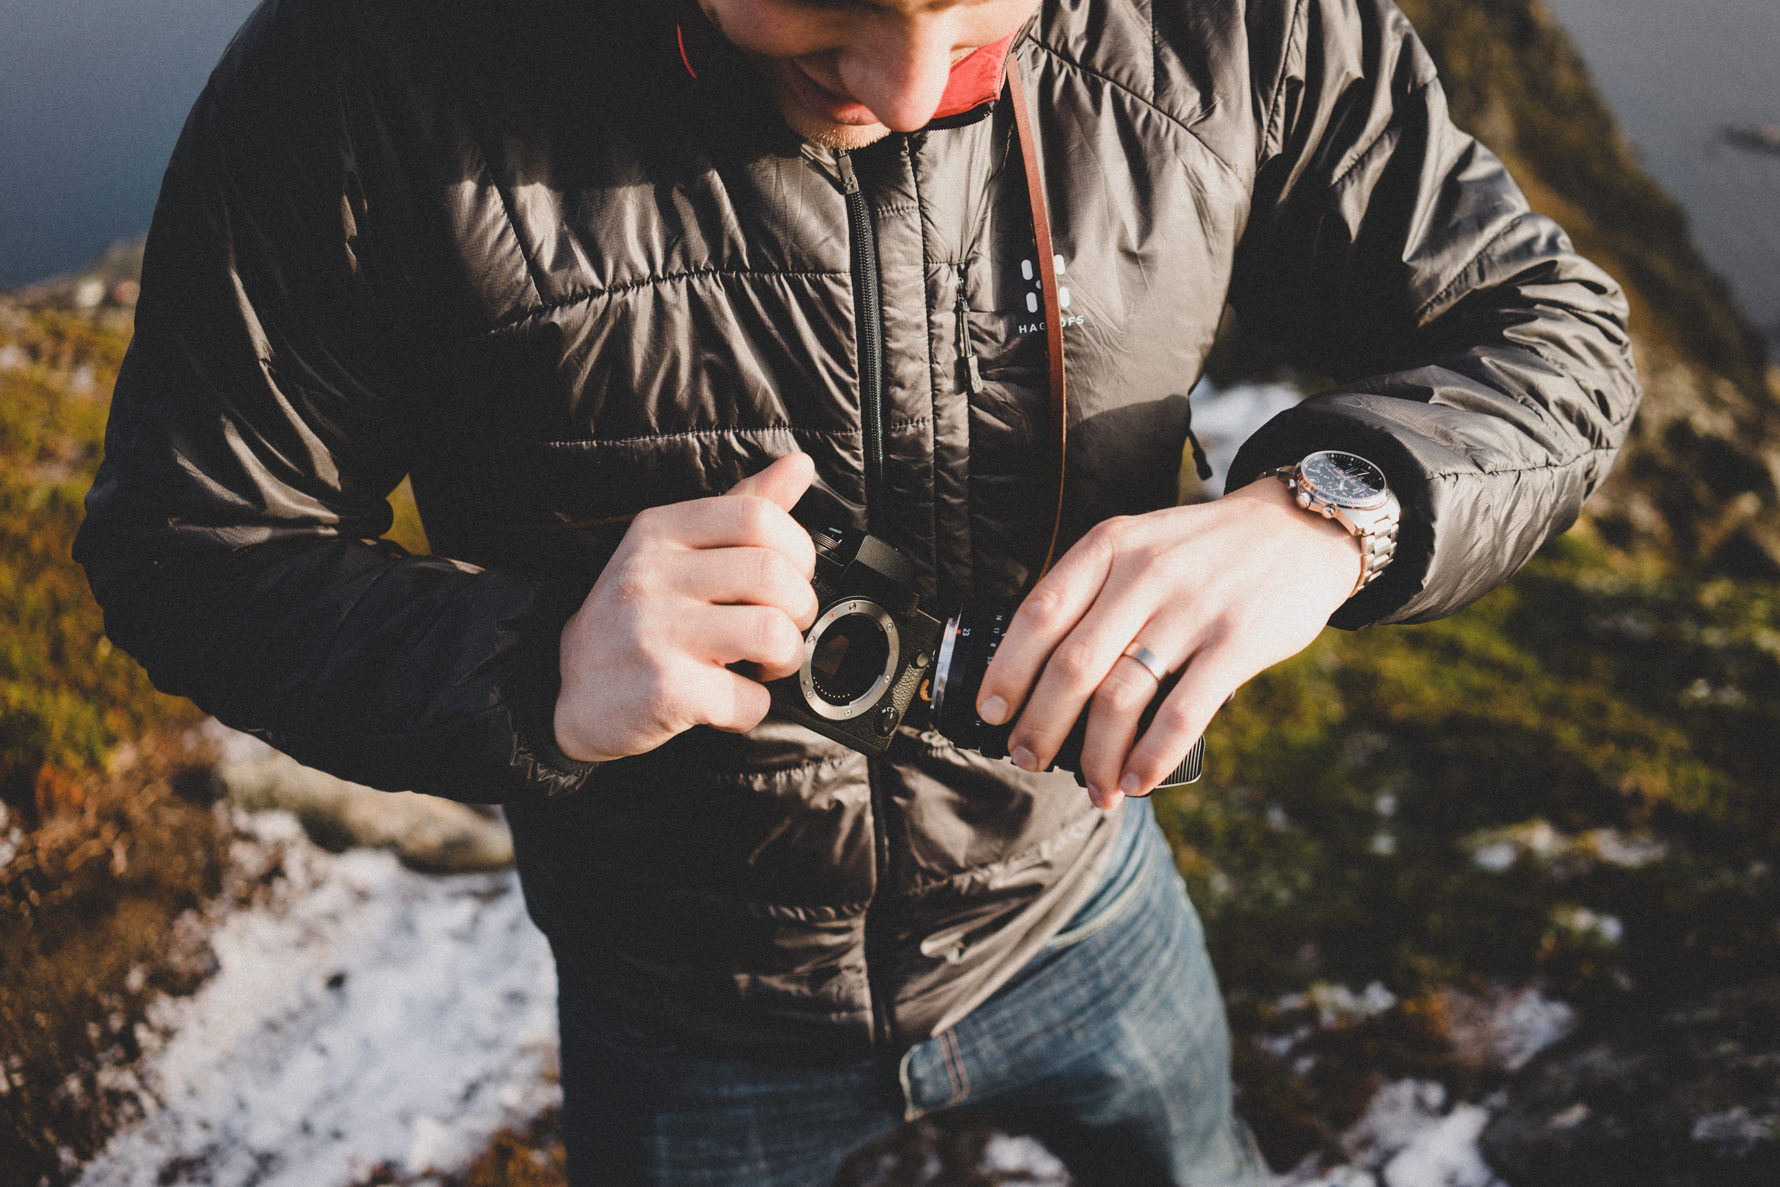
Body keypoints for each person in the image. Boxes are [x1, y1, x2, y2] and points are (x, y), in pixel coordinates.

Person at [76, 0, 1639, 1182]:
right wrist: (537, 665)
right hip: (676, 990)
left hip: (1082, 899)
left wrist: (1326, 515)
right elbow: (192, 539)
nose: (903, 88)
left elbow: (1548, 327)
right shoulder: (368, 65)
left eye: (980, 9)